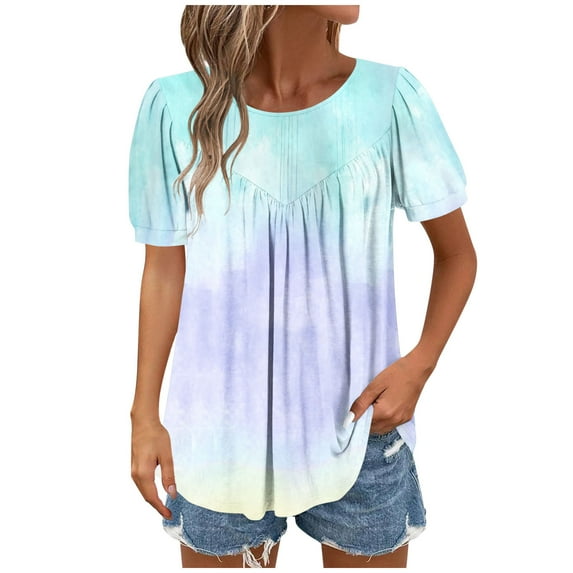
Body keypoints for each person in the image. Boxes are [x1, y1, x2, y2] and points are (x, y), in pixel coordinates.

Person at [128, 4, 477, 569]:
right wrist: (144, 414)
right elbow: (164, 270)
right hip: (216, 439)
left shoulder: (391, 99)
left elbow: (457, 254)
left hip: (361, 428)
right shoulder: (176, 107)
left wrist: (420, 364)